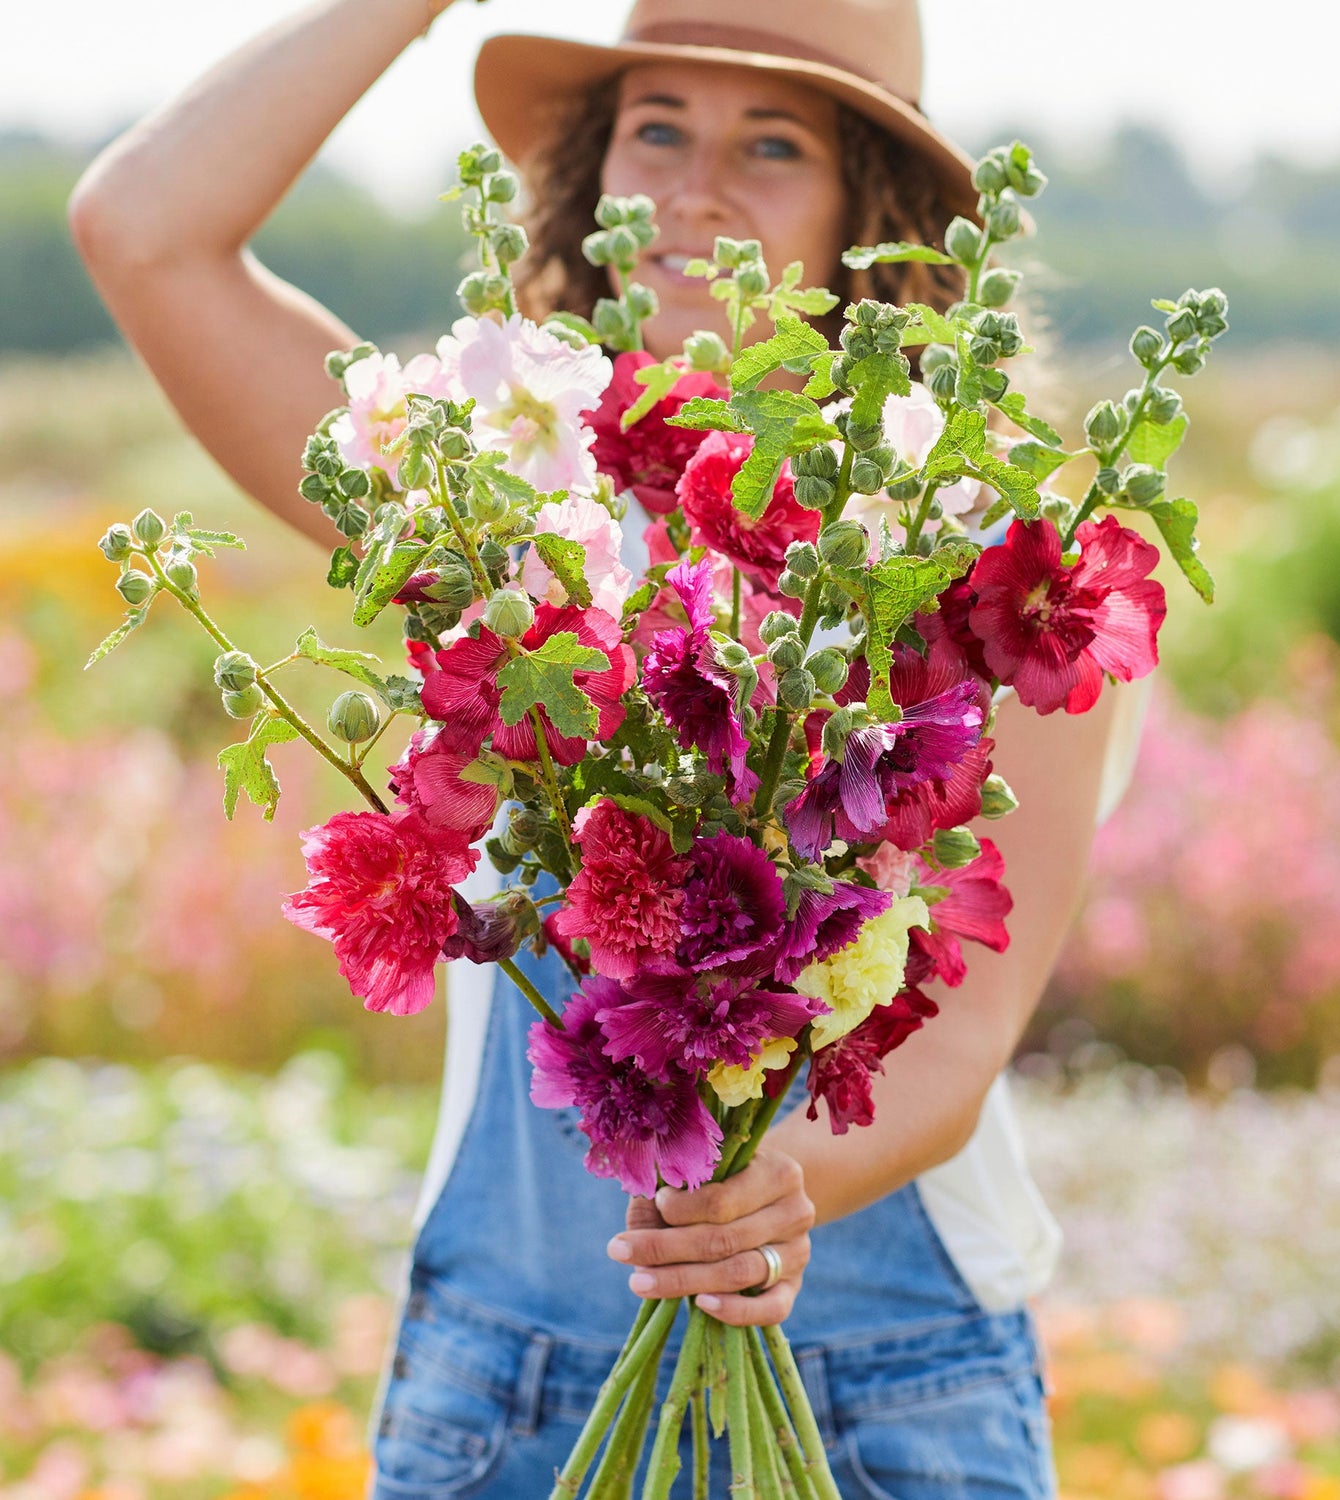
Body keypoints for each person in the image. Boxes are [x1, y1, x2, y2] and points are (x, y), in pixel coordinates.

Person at [71, 2, 1148, 1494]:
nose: (697, 185)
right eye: (658, 126)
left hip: (882, 1387)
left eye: (772, 144)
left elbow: (959, 1044)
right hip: (513, 1393)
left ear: (867, 217)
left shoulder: (983, 537)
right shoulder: (483, 488)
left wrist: (771, 1197)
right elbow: (141, 229)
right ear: (593, 175)